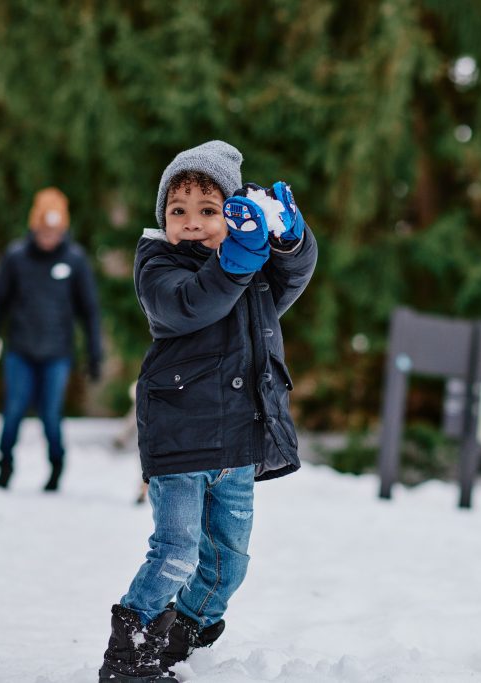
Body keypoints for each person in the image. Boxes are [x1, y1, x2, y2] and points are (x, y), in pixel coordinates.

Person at [98, 141, 317, 682]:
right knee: (176, 552)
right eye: (178, 210)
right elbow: (192, 303)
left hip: (237, 444)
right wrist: (235, 260)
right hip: (181, 442)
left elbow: (292, 276)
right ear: (163, 219)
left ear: (235, 214)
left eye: (208, 210)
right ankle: (130, 656)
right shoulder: (158, 265)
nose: (192, 222)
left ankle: (184, 638)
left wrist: (289, 240)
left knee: (229, 562)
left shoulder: (253, 273)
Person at [0, 187, 103, 492]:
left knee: (51, 415)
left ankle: (56, 467)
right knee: (13, 410)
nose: (49, 237)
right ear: (34, 226)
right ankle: (4, 466)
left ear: (63, 229)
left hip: (56, 353)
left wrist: (94, 353)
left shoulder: (74, 260)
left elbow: (89, 311)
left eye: (55, 232)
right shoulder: (16, 257)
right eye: (44, 231)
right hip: (20, 349)